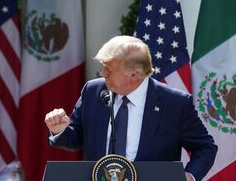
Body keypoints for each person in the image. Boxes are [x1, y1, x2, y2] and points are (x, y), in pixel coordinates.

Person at [44, 36, 217, 181]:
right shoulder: (93, 91)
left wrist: (189, 176)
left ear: (135, 74)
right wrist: (60, 131)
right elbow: (77, 137)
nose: (103, 73)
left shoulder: (174, 103)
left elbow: (205, 147)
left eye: (109, 68)